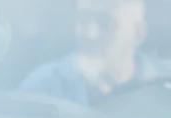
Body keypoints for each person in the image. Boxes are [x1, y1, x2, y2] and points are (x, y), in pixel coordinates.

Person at [19, 0, 162, 106]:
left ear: (138, 34)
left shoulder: (164, 88)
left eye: (105, 22)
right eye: (83, 19)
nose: (90, 34)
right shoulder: (43, 86)